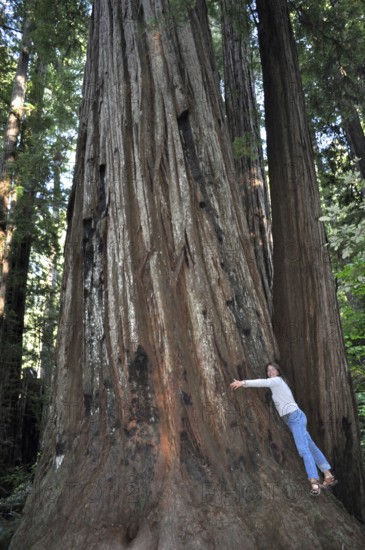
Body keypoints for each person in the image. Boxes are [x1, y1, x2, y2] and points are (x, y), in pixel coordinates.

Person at [230, 362, 338, 496]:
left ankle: (314, 481)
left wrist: (243, 383)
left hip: (295, 417)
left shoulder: (277, 381)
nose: (270, 372)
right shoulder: (277, 384)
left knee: (303, 449)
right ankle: (328, 475)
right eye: (268, 371)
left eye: (272, 370)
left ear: (278, 371)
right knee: (311, 446)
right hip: (293, 419)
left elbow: (262, 382)